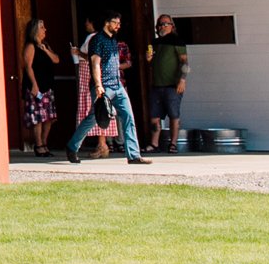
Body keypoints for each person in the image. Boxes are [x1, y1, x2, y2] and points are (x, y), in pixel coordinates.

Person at [64, 11, 148, 165]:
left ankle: (134, 155)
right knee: (93, 118)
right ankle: (72, 146)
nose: (118, 26)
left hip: (117, 85)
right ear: (107, 23)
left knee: (128, 116)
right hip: (104, 86)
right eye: (116, 23)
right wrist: (98, 85)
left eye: (119, 23)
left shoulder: (113, 40)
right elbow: (95, 63)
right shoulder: (97, 40)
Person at [146, 14, 188, 153]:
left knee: (174, 115)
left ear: (172, 26)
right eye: (160, 24)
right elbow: (154, 63)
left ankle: (173, 143)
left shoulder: (177, 41)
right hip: (157, 84)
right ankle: (154, 144)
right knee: (154, 116)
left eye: (166, 24)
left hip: (172, 85)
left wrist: (182, 79)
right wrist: (149, 59)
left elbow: (185, 62)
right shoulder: (154, 42)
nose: (162, 26)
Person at [20, 18, 60, 157]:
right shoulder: (30, 46)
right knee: (38, 117)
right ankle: (38, 145)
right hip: (37, 87)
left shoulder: (45, 45)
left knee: (48, 117)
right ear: (35, 30)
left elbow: (56, 60)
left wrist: (46, 50)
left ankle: (44, 143)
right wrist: (34, 85)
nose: (45, 30)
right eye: (42, 27)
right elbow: (28, 67)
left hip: (48, 85)